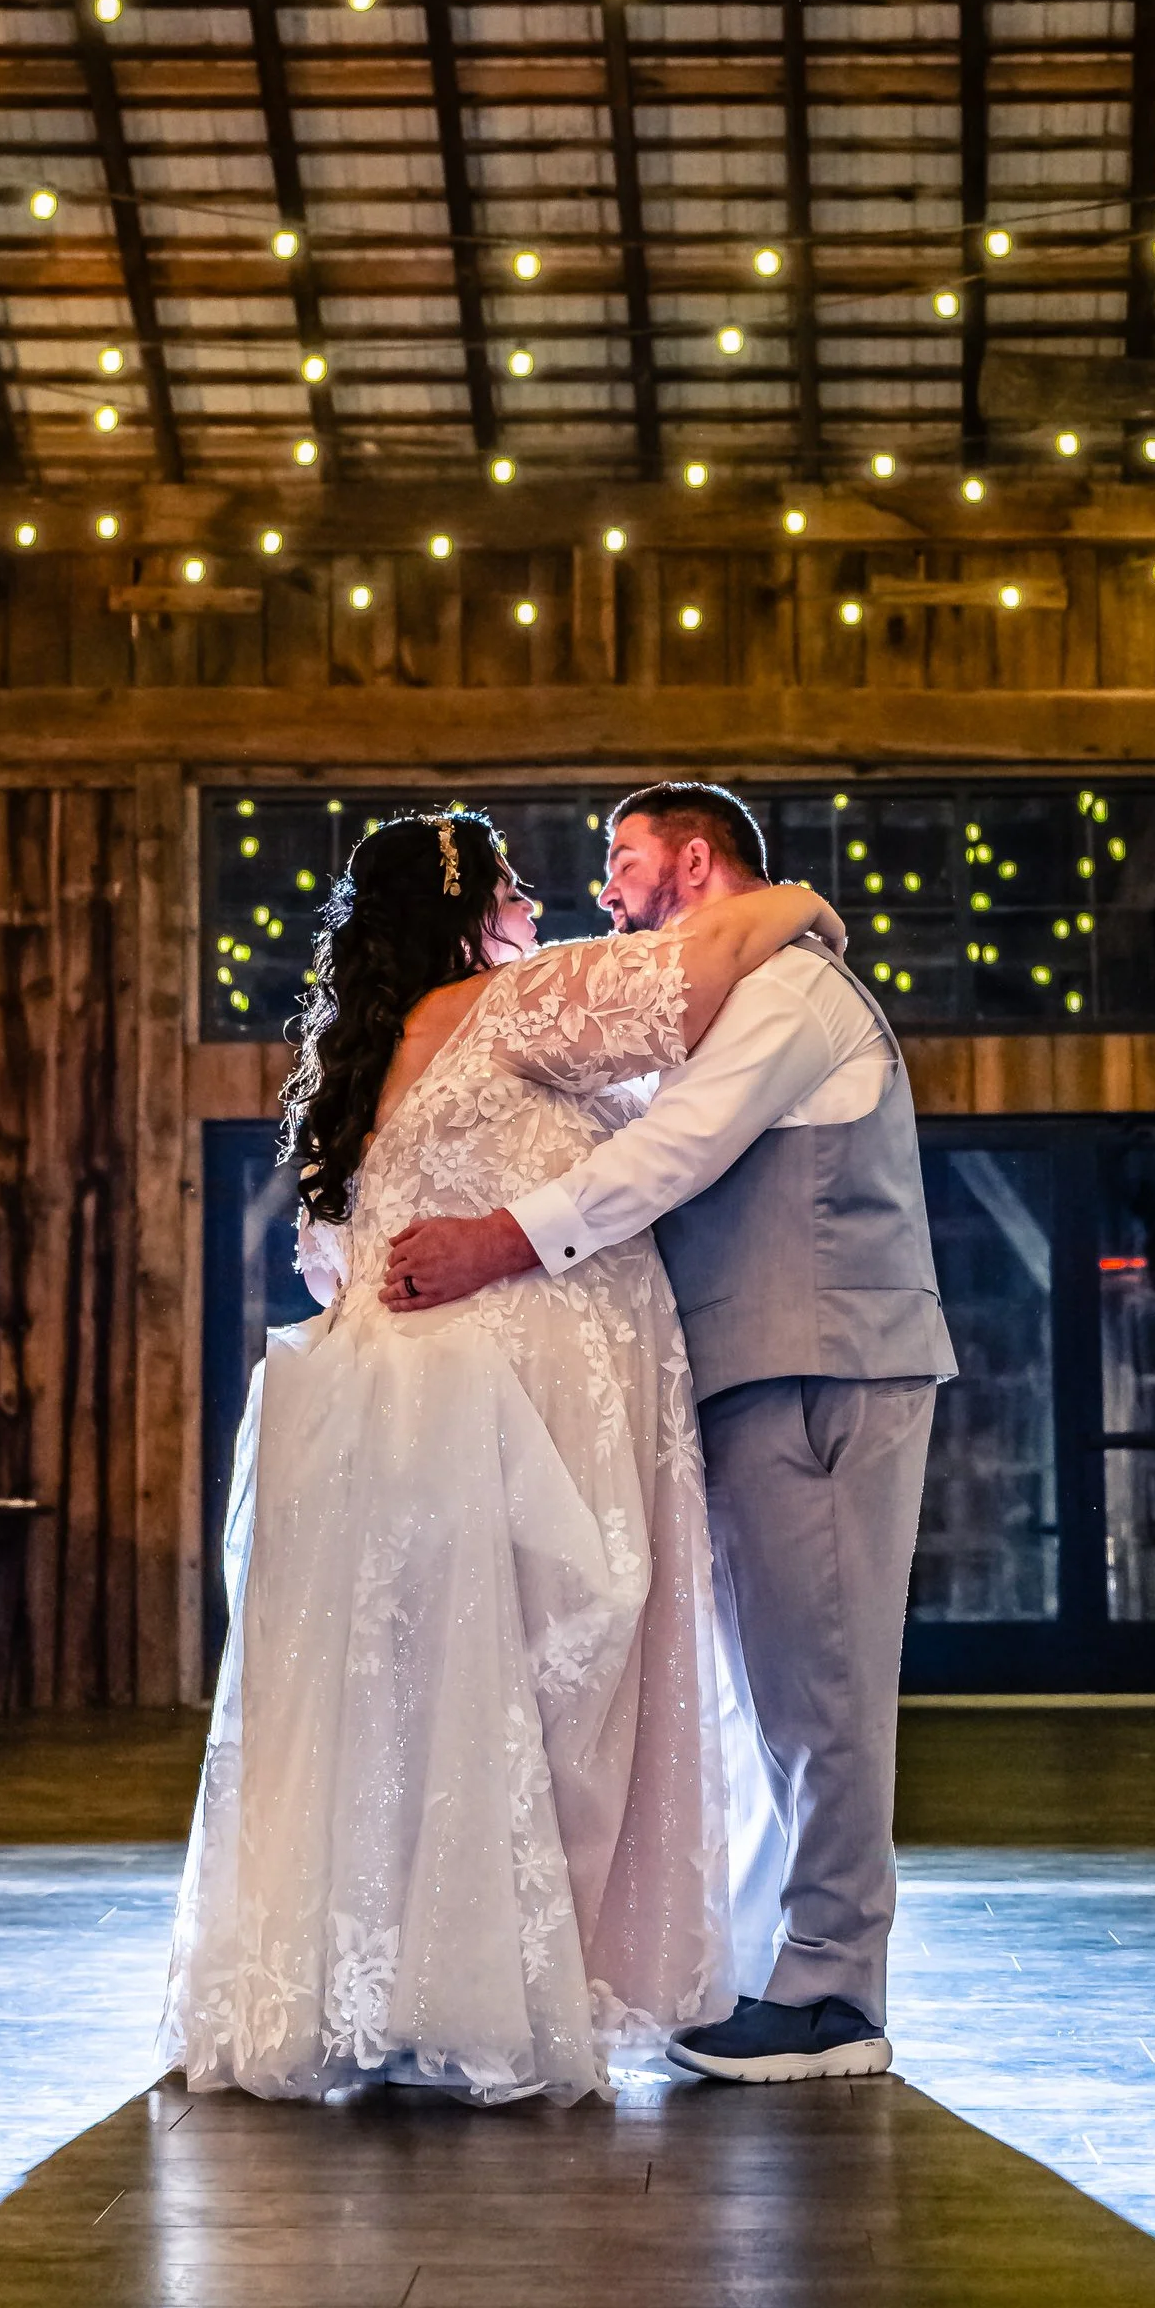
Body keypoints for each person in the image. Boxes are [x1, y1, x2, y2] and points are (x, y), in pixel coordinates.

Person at [157, 806, 844, 2109]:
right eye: (522, 891)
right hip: (512, 1411)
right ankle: (495, 1992)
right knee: (538, 1692)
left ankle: (376, 1993)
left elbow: (329, 1261)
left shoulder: (358, 1070)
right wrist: (804, 903)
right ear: (471, 910)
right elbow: (696, 973)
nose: (545, 912)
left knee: (410, 1709)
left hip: (375, 1421)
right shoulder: (514, 1001)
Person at [385, 781, 956, 2089]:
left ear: (694, 862)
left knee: (825, 1683)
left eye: (624, 859)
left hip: (823, 1364)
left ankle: (833, 1995)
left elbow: (676, 1156)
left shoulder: (795, 993)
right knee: (779, 1682)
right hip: (765, 1364)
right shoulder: (727, 999)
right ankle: (789, 1966)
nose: (608, 883)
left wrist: (495, 1243)